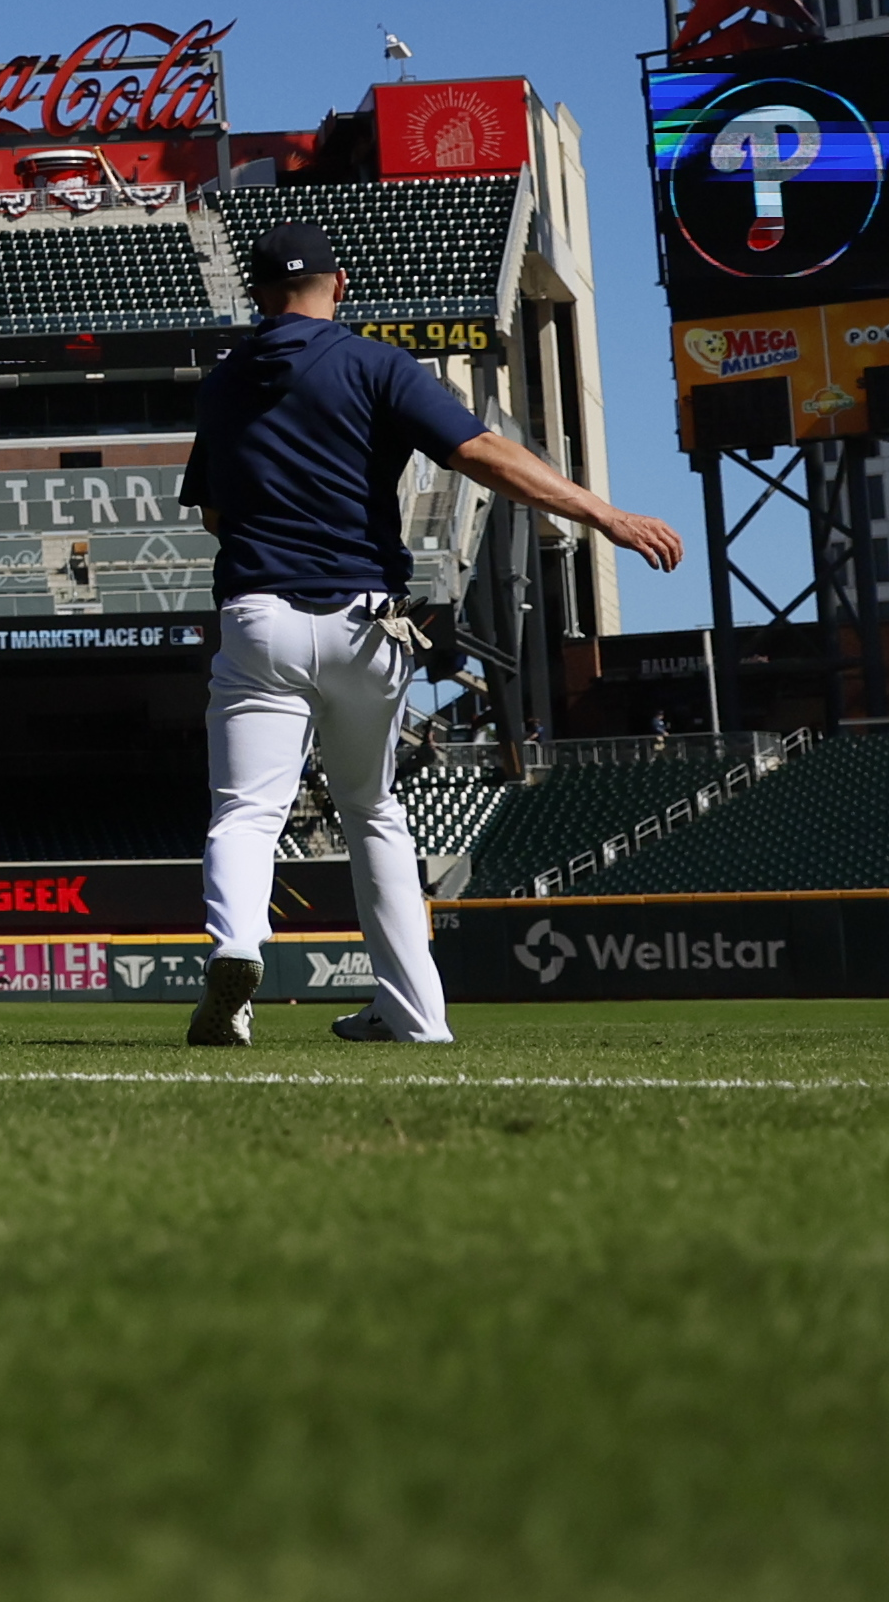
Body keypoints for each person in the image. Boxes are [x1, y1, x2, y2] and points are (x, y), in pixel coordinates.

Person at [182, 223, 683, 1048]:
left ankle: (237, 953)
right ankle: (416, 1013)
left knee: (244, 815)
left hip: (260, 615)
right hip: (364, 620)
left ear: (260, 292)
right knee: (373, 812)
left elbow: (214, 514)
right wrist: (604, 513)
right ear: (337, 285)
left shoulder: (225, 382)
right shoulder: (375, 362)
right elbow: (483, 452)